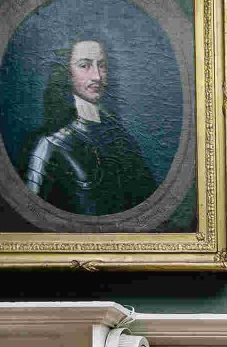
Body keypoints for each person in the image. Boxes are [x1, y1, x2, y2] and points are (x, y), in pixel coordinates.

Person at [23, 38, 159, 216]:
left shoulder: (121, 138)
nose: (97, 76)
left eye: (101, 65)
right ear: (66, 72)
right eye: (84, 65)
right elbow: (32, 217)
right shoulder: (49, 145)